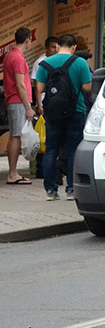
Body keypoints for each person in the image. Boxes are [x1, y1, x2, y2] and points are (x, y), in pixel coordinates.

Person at [34, 33, 92, 201]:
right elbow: (87, 88)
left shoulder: (46, 63)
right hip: (76, 111)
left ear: (58, 46)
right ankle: (71, 189)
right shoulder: (80, 62)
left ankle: (51, 191)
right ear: (74, 47)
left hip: (52, 112)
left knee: (51, 150)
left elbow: (40, 87)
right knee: (73, 150)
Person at [4, 27, 36, 185]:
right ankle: (12, 173)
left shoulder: (10, 55)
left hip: (13, 100)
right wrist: (28, 107)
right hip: (18, 101)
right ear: (28, 40)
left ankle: (13, 172)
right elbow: (20, 84)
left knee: (14, 136)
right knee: (16, 136)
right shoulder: (18, 58)